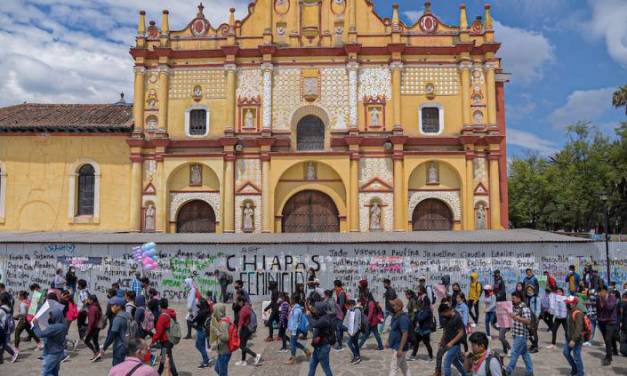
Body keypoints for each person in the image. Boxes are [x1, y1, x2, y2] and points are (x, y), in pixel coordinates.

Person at [505, 291, 534, 376]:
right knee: (525, 354)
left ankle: (508, 371)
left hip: (521, 335)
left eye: (513, 298)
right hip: (516, 333)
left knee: (514, 352)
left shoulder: (524, 308)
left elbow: (528, 321)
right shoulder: (515, 307)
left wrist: (517, 318)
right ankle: (530, 372)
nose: (512, 300)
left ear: (519, 298)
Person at [32, 306, 66, 375]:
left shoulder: (54, 327)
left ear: (56, 316)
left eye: (51, 315)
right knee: (54, 372)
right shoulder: (63, 326)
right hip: (59, 352)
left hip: (52, 353)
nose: (49, 317)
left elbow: (40, 334)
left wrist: (35, 324)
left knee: (45, 372)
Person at [435, 303, 467, 376]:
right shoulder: (446, 317)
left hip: (455, 345)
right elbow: (445, 329)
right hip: (446, 342)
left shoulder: (457, 317)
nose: (443, 316)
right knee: (454, 361)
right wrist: (442, 340)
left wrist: (452, 343)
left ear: (447, 310)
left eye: (443, 314)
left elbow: (461, 333)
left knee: (447, 362)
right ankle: (465, 374)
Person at [151, 298, 179, 375]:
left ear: (160, 306)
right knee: (164, 358)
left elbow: (158, 333)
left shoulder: (163, 317)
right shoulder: (170, 313)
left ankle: (174, 374)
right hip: (170, 340)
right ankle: (159, 372)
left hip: (166, 341)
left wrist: (152, 341)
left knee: (169, 359)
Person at [307, 301, 334, 376]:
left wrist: (308, 316)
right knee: (312, 366)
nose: (315, 309)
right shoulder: (323, 316)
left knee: (326, 368)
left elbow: (314, 324)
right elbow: (316, 317)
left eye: (316, 308)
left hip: (323, 348)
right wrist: (310, 310)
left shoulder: (325, 319)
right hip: (318, 347)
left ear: (320, 309)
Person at [100, 296, 129, 366]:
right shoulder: (128, 315)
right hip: (128, 346)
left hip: (119, 347)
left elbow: (112, 335)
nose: (111, 307)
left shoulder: (118, 318)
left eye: (113, 305)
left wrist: (104, 347)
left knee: (117, 368)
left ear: (119, 306)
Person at [386, 298, 410, 376]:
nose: (392, 307)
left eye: (394, 305)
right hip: (396, 346)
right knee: (404, 367)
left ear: (399, 307)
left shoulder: (403, 318)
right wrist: (388, 341)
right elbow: (392, 330)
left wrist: (400, 349)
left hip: (399, 347)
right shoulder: (396, 316)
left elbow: (405, 333)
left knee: (394, 367)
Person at [235, 296, 261, 366]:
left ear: (241, 302)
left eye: (238, 302)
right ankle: (243, 361)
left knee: (241, 346)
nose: (237, 303)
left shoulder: (243, 310)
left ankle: (255, 355)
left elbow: (240, 324)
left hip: (246, 329)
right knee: (243, 344)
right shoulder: (247, 306)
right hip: (248, 328)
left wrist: (238, 333)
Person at [562, 296, 585, 376]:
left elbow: (579, 329)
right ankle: (575, 369)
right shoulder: (570, 311)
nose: (566, 304)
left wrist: (574, 340)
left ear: (573, 304)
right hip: (569, 337)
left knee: (577, 356)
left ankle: (580, 373)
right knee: (566, 352)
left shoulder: (578, 313)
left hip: (576, 339)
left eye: (568, 303)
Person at [286, 293, 311, 364]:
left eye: (291, 299)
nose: (290, 300)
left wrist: (293, 331)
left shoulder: (296, 310)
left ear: (293, 300)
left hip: (295, 329)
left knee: (292, 344)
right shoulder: (295, 308)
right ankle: (306, 350)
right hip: (294, 329)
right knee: (293, 342)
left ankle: (293, 358)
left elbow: (295, 322)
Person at [596, 285, 618, 366]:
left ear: (605, 291)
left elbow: (609, 307)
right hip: (602, 321)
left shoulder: (612, 297)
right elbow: (598, 309)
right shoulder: (598, 299)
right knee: (607, 338)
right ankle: (614, 350)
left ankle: (608, 357)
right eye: (598, 292)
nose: (599, 293)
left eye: (601, 291)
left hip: (611, 321)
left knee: (608, 339)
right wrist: (598, 319)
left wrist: (604, 299)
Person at [411, 286, 434, 362]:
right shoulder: (423, 309)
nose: (420, 301)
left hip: (425, 329)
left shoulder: (427, 310)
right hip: (420, 329)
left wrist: (416, 313)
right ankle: (413, 355)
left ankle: (431, 356)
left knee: (427, 343)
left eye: (422, 301)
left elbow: (420, 318)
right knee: (416, 342)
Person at [211, 303, 232, 376]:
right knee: (217, 369)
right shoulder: (223, 320)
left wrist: (217, 332)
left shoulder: (223, 323)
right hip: (222, 351)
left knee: (222, 373)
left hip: (225, 352)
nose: (213, 313)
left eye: (214, 311)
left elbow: (226, 337)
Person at [192, 297, 211, 368]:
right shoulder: (207, 311)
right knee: (198, 345)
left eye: (199, 303)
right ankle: (206, 359)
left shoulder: (201, 313)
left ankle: (206, 362)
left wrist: (192, 315)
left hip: (201, 331)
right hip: (204, 330)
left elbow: (193, 320)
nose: (198, 304)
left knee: (201, 346)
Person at [344, 299, 364, 364]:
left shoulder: (357, 311)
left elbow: (357, 323)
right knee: (355, 344)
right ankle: (357, 357)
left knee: (349, 343)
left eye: (348, 306)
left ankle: (356, 356)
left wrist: (353, 332)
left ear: (351, 305)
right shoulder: (352, 310)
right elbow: (351, 321)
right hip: (353, 330)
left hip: (356, 331)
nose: (347, 307)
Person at [84, 294, 103, 361]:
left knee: (86, 341)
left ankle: (96, 353)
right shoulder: (96, 306)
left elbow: (92, 320)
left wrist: (88, 330)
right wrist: (86, 304)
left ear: (91, 300)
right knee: (95, 340)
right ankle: (97, 354)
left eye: (88, 299)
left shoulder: (93, 308)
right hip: (97, 326)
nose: (87, 300)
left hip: (93, 327)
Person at [0, 294, 18, 363]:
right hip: (7, 328)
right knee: (3, 343)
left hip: (3, 329)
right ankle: (1, 358)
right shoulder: (8, 307)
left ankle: (14, 352)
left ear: (1, 301)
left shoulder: (1, 310)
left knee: (5, 344)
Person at [525, 285, 540, 353]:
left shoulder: (536, 298)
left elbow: (538, 309)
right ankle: (533, 344)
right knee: (528, 332)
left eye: (530, 290)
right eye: (528, 290)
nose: (529, 291)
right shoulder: (527, 298)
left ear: (533, 290)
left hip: (534, 317)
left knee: (534, 332)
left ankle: (535, 347)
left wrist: (536, 318)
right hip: (528, 317)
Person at [334, 280, 348, 351]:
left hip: (341, 312)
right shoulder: (339, 292)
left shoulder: (341, 293)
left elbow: (341, 305)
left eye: (334, 286)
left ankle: (340, 344)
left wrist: (337, 311)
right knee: (339, 326)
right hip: (340, 312)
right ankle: (341, 338)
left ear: (336, 286)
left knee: (338, 327)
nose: (334, 287)